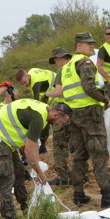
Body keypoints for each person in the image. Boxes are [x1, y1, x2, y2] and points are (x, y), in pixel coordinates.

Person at [49, 33, 110, 208]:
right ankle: (108, 195)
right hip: (90, 116)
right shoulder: (84, 63)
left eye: (92, 44)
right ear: (79, 46)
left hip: (74, 116)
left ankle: (78, 195)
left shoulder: (67, 67)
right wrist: (107, 101)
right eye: (89, 44)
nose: (92, 47)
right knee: (99, 154)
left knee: (79, 156)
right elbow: (89, 87)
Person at [0, 98, 73, 219]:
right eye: (61, 121)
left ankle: (26, 208)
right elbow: (30, 148)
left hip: (8, 140)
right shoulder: (38, 118)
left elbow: (28, 144)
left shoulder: (43, 111)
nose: (60, 125)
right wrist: (40, 174)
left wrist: (32, 165)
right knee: (6, 178)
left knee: (19, 173)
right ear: (56, 115)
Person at [42, 46, 75, 186]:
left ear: (60, 58)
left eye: (55, 60)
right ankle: (82, 175)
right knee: (77, 145)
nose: (56, 63)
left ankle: (63, 177)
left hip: (63, 112)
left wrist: (46, 95)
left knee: (60, 146)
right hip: (78, 111)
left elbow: (58, 91)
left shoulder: (62, 70)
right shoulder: (76, 67)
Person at [14, 65, 56, 153]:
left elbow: (36, 104)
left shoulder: (36, 81)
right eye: (22, 84)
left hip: (58, 94)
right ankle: (43, 145)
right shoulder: (32, 72)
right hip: (53, 96)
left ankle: (42, 145)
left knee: (42, 117)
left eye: (25, 82)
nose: (25, 85)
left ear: (28, 76)